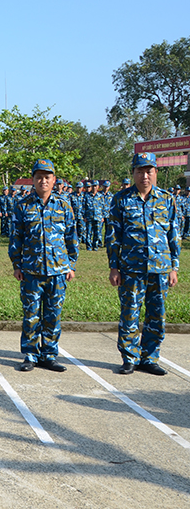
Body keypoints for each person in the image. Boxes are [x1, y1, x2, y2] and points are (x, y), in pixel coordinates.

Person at [107, 152, 181, 376]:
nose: (144, 176)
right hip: (131, 269)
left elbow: (173, 235)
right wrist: (114, 267)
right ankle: (129, 358)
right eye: (140, 171)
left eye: (149, 171)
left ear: (155, 173)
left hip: (160, 268)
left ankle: (150, 358)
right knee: (130, 313)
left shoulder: (167, 199)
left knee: (156, 315)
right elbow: (113, 236)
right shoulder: (121, 199)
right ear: (134, 173)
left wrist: (174, 267)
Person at [9, 159, 78, 373]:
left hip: (58, 270)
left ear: (54, 180)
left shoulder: (64, 205)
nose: (43, 181)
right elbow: (16, 238)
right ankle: (30, 354)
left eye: (47, 177)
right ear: (33, 180)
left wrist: (71, 265)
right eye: (39, 177)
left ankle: (49, 355)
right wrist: (17, 264)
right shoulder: (22, 205)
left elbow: (71, 237)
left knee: (53, 315)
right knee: (31, 314)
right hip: (31, 270)